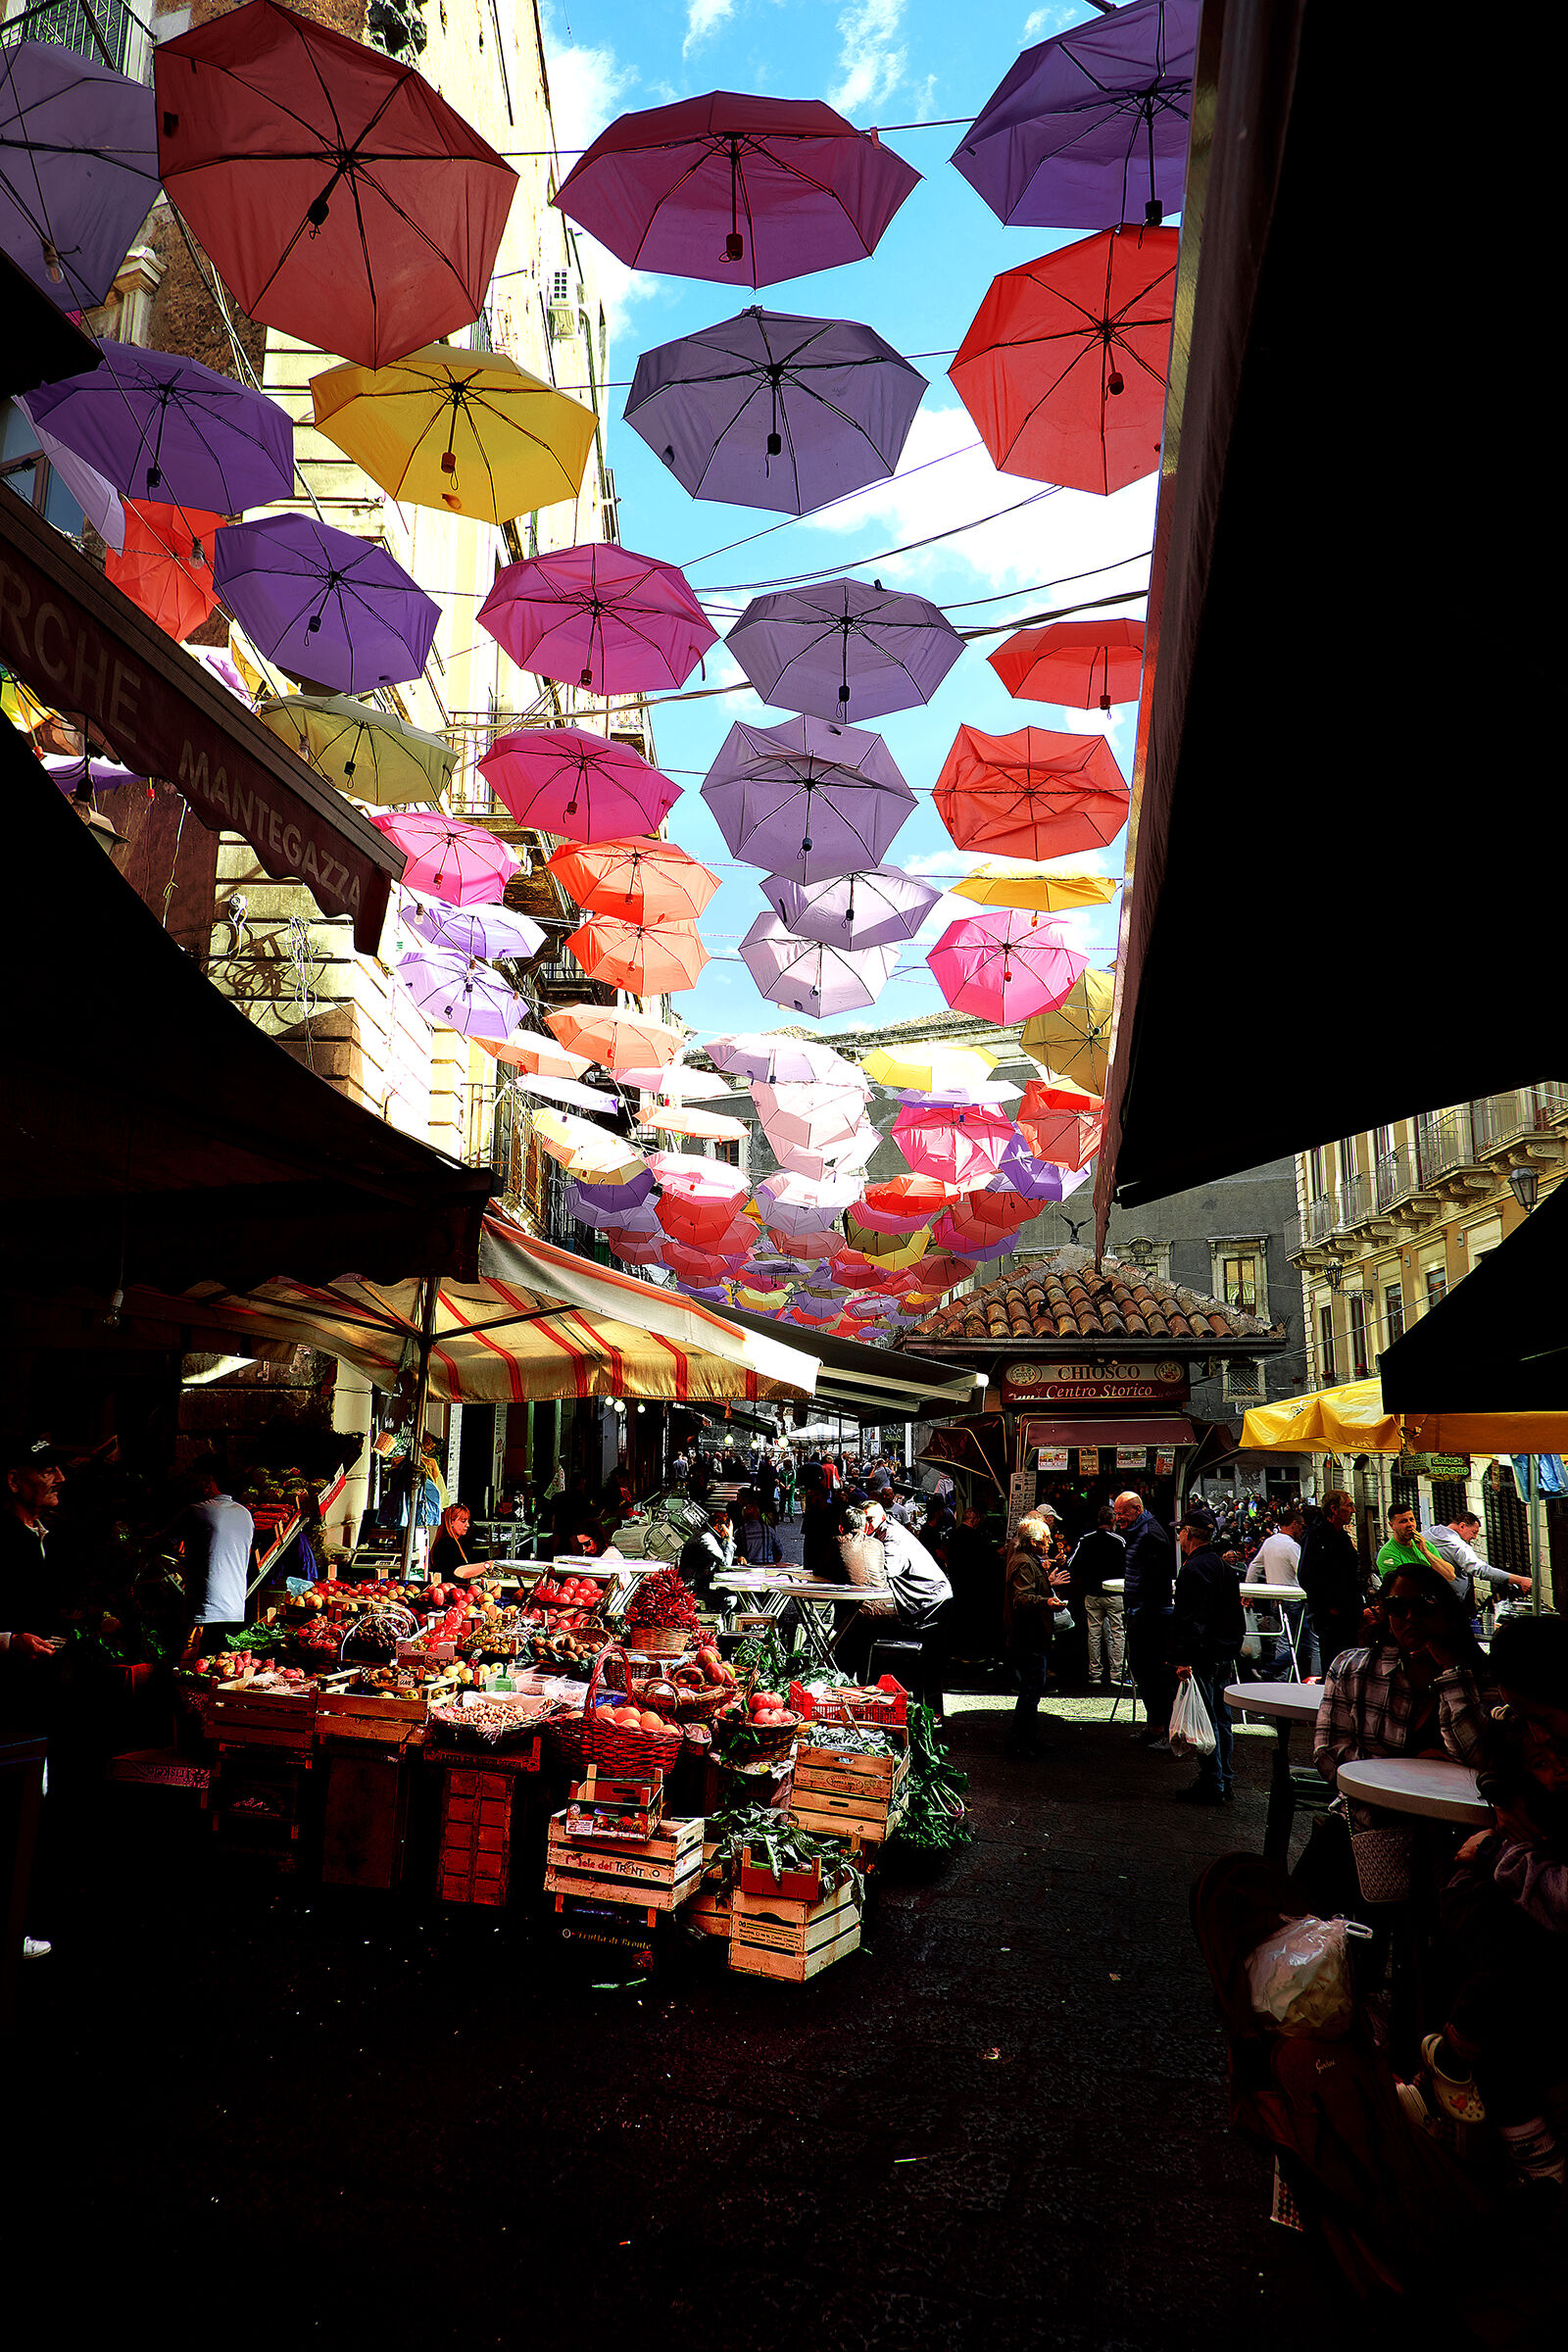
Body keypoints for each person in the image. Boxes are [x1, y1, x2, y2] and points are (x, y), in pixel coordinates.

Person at [1426, 1616, 1568, 2184]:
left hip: (1528, 1905)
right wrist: (1503, 1791)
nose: (1536, 1736)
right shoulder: (1524, 1735)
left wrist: (1495, 1855)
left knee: (1519, 1969)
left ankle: (1451, 2061)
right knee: (1499, 1951)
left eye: (1543, 1718)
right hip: (1504, 1900)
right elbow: (1494, 1761)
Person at [1313, 1563, 1489, 1827]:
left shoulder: (1481, 1677)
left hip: (1459, 1828)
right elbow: (1327, 1755)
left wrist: (1452, 1673)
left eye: (1423, 1606)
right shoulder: (1353, 1669)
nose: (1410, 1617)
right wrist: (1409, 1768)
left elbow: (1484, 1756)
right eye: (1397, 1606)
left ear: (1447, 1611)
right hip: (1370, 1824)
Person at [1169, 1505, 1246, 1804]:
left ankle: (1213, 1781)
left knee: (1210, 1717)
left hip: (1204, 1653)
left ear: (1188, 1534)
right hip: (1223, 1652)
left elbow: (1191, 1619)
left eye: (1181, 1531)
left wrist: (1182, 1659)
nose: (1179, 1536)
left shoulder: (1193, 1568)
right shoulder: (1223, 1566)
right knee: (1222, 1719)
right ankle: (1223, 1778)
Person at [171, 1456, 256, 1653]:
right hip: (235, 1610)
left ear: (208, 1481)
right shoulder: (245, 1514)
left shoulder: (197, 1511)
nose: (190, 1486)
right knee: (220, 1668)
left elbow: (161, 1542)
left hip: (205, 1611)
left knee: (192, 1670)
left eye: (194, 1480)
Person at [1113, 1489, 1176, 1749]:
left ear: (1136, 1510)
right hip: (1143, 1612)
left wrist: (1142, 1612)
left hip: (1151, 1616)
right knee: (1144, 1671)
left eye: (1122, 1513)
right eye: (1116, 1514)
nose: (1118, 1518)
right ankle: (1156, 1726)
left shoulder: (1151, 1535)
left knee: (1153, 1673)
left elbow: (1156, 1580)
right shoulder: (1142, 1532)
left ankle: (1163, 1729)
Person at [1003, 1512, 1061, 1758]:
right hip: (1029, 1634)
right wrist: (1047, 1601)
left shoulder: (1027, 1559)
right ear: (1034, 1541)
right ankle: (1020, 1742)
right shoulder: (1025, 1562)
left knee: (1032, 1690)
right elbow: (1021, 1597)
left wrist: (1048, 1582)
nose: (1049, 1542)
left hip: (1029, 1633)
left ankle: (1027, 1738)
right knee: (1031, 1690)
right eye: (1045, 1539)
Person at [1298, 1489, 1371, 1677]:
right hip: (1332, 1616)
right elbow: (1307, 1575)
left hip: (1349, 1612)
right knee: (1334, 1665)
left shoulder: (1342, 1537)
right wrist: (1329, 1605)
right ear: (1334, 1509)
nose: (1353, 1510)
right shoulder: (1316, 1536)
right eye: (1349, 1506)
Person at [1068, 1506, 1127, 1690]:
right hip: (1115, 1593)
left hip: (1092, 1593)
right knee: (1117, 1633)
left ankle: (1095, 1674)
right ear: (1113, 1521)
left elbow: (1072, 1564)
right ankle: (1117, 1674)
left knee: (1093, 1634)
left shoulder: (1086, 1540)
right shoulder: (1120, 1541)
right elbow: (1129, 1566)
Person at [1422, 1507, 1532, 1604]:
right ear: (1462, 1526)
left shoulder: (1428, 1534)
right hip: (1445, 1601)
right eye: (1474, 1532)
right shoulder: (1459, 1546)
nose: (1474, 1537)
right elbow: (1481, 1570)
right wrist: (1519, 1580)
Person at [1252, 1500, 1307, 1678]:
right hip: (1293, 1599)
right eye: (1301, 1526)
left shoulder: (1269, 1542)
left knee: (1284, 1639)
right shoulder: (1292, 1546)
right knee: (1301, 1643)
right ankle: (1274, 1669)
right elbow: (1302, 1572)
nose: (1302, 1531)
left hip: (1275, 1600)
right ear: (1294, 1524)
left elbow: (1254, 1566)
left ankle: (1278, 1677)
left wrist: (1248, 1592)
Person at [1376, 1502, 1462, 1593]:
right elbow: (1402, 1588)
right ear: (1392, 1525)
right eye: (1403, 1521)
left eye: (1411, 1519)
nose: (1410, 1525)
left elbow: (1450, 1575)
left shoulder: (1426, 1545)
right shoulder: (1387, 1554)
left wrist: (1426, 1552)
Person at [678, 1506, 734, 1603]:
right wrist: (729, 1539)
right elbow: (725, 1563)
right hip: (694, 1588)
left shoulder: (705, 1534)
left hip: (699, 1585)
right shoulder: (706, 1538)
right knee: (731, 1600)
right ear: (719, 1525)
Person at [427, 1501, 491, 1585]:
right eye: (463, 1521)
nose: (467, 1525)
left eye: (468, 1521)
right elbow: (459, 1571)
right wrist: (486, 1565)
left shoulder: (456, 1542)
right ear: (451, 1522)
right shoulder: (447, 1544)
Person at [736, 1494, 784, 1567]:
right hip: (767, 1567)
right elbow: (779, 1552)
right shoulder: (769, 1530)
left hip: (748, 1568)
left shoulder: (739, 1532)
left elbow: (735, 1552)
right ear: (758, 1514)